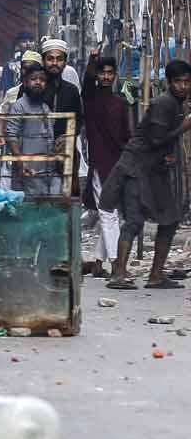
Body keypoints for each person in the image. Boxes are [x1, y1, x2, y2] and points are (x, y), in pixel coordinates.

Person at [101, 59, 191, 290]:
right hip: (137, 168)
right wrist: (184, 127)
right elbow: (155, 140)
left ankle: (156, 275)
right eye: (178, 82)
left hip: (152, 170)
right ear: (169, 83)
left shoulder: (176, 104)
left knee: (170, 220)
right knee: (134, 220)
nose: (183, 86)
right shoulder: (165, 103)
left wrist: (168, 156)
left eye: (187, 82)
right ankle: (118, 273)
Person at [82, 50, 128, 278]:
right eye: (103, 73)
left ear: (115, 75)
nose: (107, 77)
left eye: (110, 73)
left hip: (118, 163)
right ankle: (116, 263)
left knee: (112, 215)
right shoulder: (90, 98)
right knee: (108, 213)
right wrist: (92, 61)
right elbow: (88, 80)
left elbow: (126, 135)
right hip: (100, 164)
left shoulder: (120, 103)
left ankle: (99, 262)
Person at [5, 66, 60, 195]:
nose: (38, 82)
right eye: (33, 79)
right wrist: (21, 163)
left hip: (47, 172)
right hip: (28, 172)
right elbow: (11, 136)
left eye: (42, 80)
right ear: (25, 82)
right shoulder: (19, 106)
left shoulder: (45, 107)